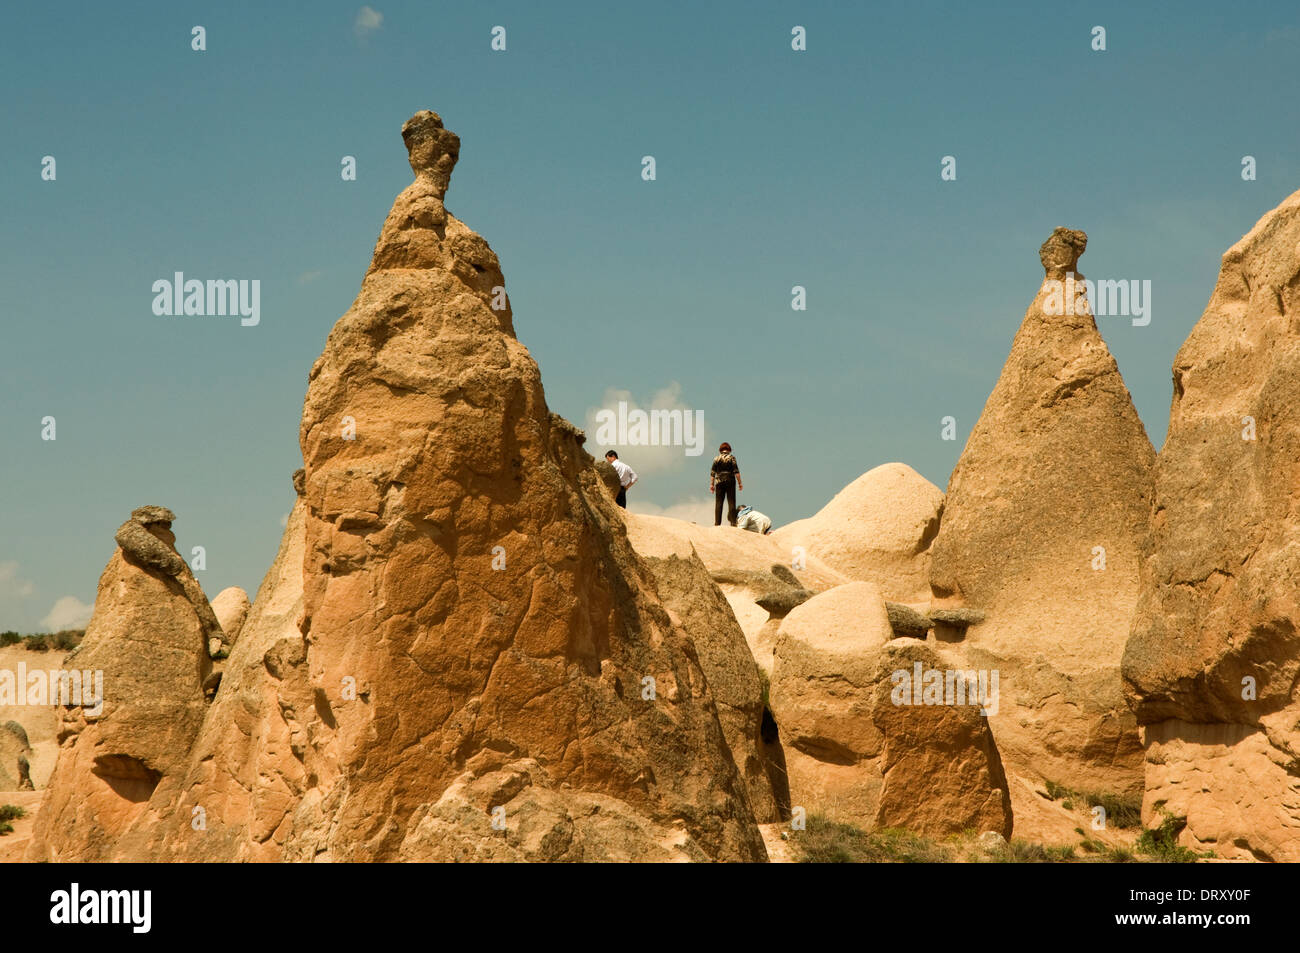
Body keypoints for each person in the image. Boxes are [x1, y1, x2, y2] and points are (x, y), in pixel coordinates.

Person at [710, 442, 743, 526]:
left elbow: (712, 473)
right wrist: (740, 483)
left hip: (719, 482)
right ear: (729, 450)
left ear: (720, 450)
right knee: (731, 502)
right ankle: (732, 522)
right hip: (730, 481)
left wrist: (711, 485)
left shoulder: (716, 459)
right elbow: (736, 471)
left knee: (719, 502)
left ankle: (717, 523)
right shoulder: (732, 458)